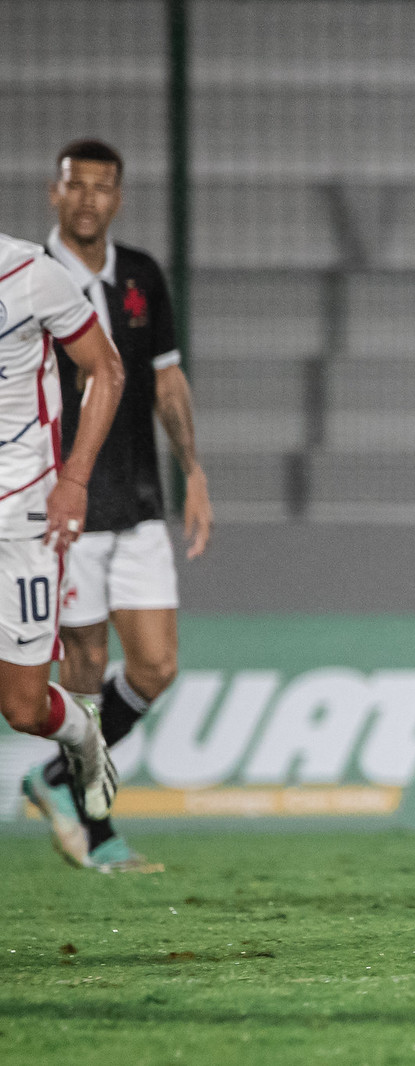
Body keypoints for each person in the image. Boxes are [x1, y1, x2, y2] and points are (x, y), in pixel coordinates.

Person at [22, 139, 211, 874]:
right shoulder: (29, 280)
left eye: (103, 186)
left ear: (119, 197)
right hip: (63, 510)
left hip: (136, 502)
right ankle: (100, 838)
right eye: (77, 185)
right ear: (54, 193)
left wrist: (192, 470)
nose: (89, 198)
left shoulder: (140, 276)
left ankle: (54, 779)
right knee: (86, 671)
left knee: (156, 665)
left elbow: (166, 382)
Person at [0, 229, 125, 826]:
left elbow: (106, 368)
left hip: (23, 513)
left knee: (23, 709)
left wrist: (74, 479)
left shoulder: (28, 272)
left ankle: (82, 738)